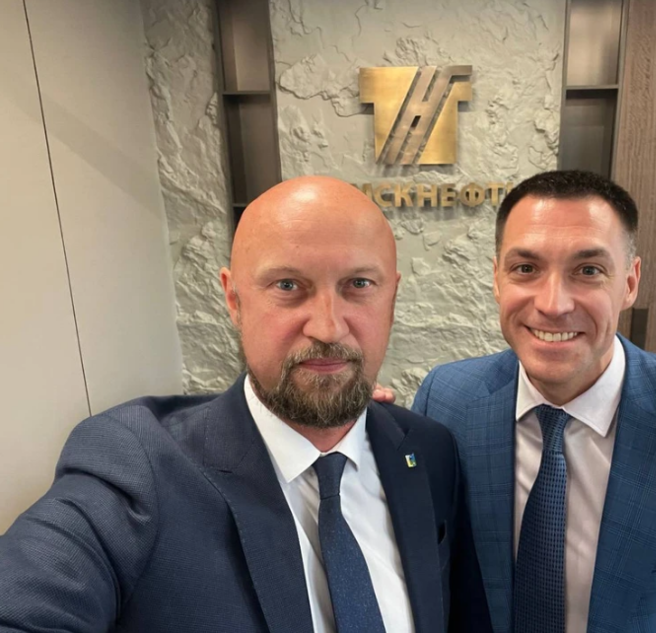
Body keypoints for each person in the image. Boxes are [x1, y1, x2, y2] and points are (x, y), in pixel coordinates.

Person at [0, 176, 490, 633]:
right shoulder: (137, 463)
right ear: (234, 300)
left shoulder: (428, 451)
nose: (327, 327)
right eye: (288, 286)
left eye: (358, 285)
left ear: (392, 298)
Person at [393, 170, 656, 632]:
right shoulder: (448, 399)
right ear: (497, 279)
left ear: (630, 283)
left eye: (588, 271)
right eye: (526, 269)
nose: (553, 304)